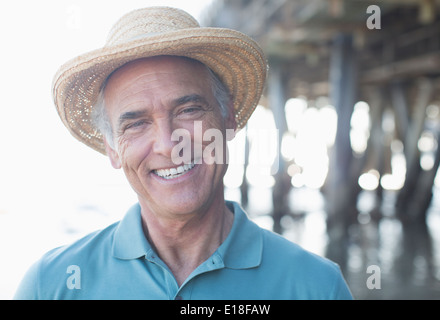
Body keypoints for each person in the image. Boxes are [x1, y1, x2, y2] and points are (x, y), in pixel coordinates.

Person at [14, 6, 353, 300]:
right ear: (112, 148)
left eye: (189, 109)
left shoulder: (318, 286)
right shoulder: (50, 285)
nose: (167, 143)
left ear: (228, 118)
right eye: (136, 124)